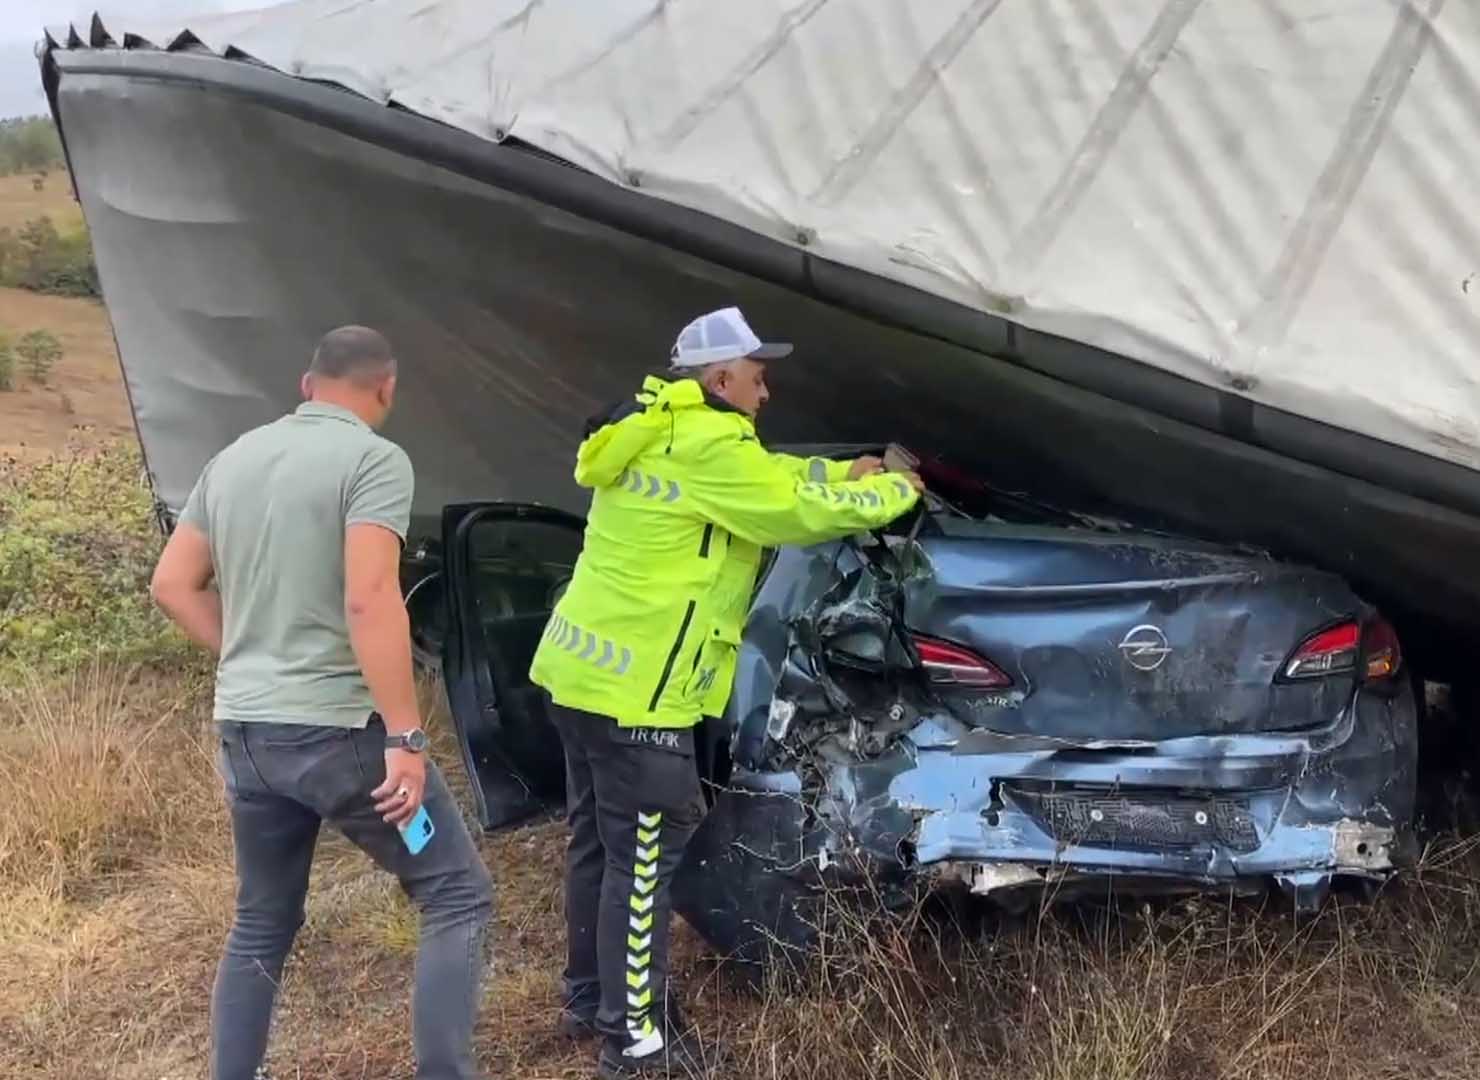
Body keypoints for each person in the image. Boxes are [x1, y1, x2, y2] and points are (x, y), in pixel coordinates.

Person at [534, 307, 922, 1078]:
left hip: (580, 677)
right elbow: (794, 511)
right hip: (640, 694)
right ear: (720, 378)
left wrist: (845, 470)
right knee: (645, 859)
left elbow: (772, 478)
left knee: (599, 850)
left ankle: (591, 999)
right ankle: (637, 1044)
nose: (766, 389)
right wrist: (895, 494)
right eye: (756, 373)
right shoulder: (709, 446)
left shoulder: (663, 429)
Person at [150, 326, 494, 1080]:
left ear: (306, 387)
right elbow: (371, 598)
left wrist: (255, 663)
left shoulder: (231, 459)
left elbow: (172, 584)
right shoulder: (374, 461)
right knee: (455, 895)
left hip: (246, 735)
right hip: (342, 740)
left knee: (261, 924)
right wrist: (406, 737)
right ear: (386, 389)